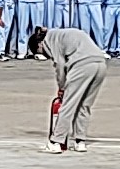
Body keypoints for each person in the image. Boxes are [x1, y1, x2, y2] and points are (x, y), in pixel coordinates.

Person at [30, 21, 109, 152]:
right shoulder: (60, 34)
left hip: (82, 65)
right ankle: (80, 141)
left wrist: (62, 88)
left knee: (68, 104)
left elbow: (60, 66)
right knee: (85, 105)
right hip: (100, 64)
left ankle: (55, 141)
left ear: (39, 44)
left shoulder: (50, 40)